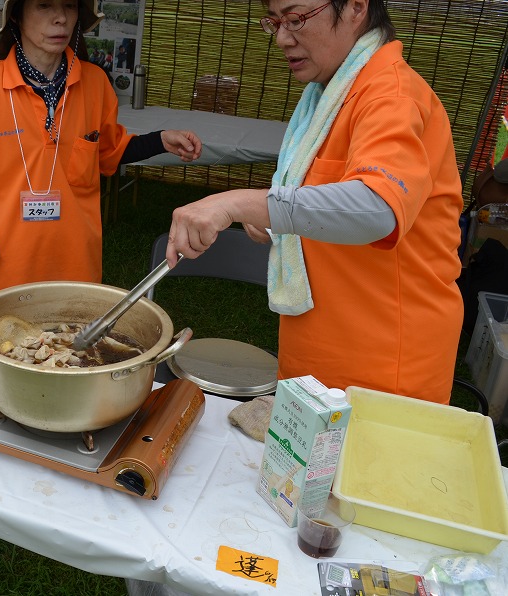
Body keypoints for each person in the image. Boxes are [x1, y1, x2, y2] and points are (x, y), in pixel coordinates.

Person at [163, 0, 463, 405]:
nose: (284, 38)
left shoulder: (391, 94)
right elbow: (324, 204)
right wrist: (275, 220)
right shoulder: (333, 95)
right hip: (318, 355)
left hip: (381, 369)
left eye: (296, 19)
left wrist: (237, 202)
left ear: (356, 7)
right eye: (275, 22)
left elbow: (376, 208)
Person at [0, 0, 201, 293]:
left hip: (75, 255)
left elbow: (109, 152)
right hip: (8, 253)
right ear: (16, 17)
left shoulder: (95, 83)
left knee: (71, 333)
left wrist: (160, 140)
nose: (61, 18)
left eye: (69, 6)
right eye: (44, 5)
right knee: (7, 332)